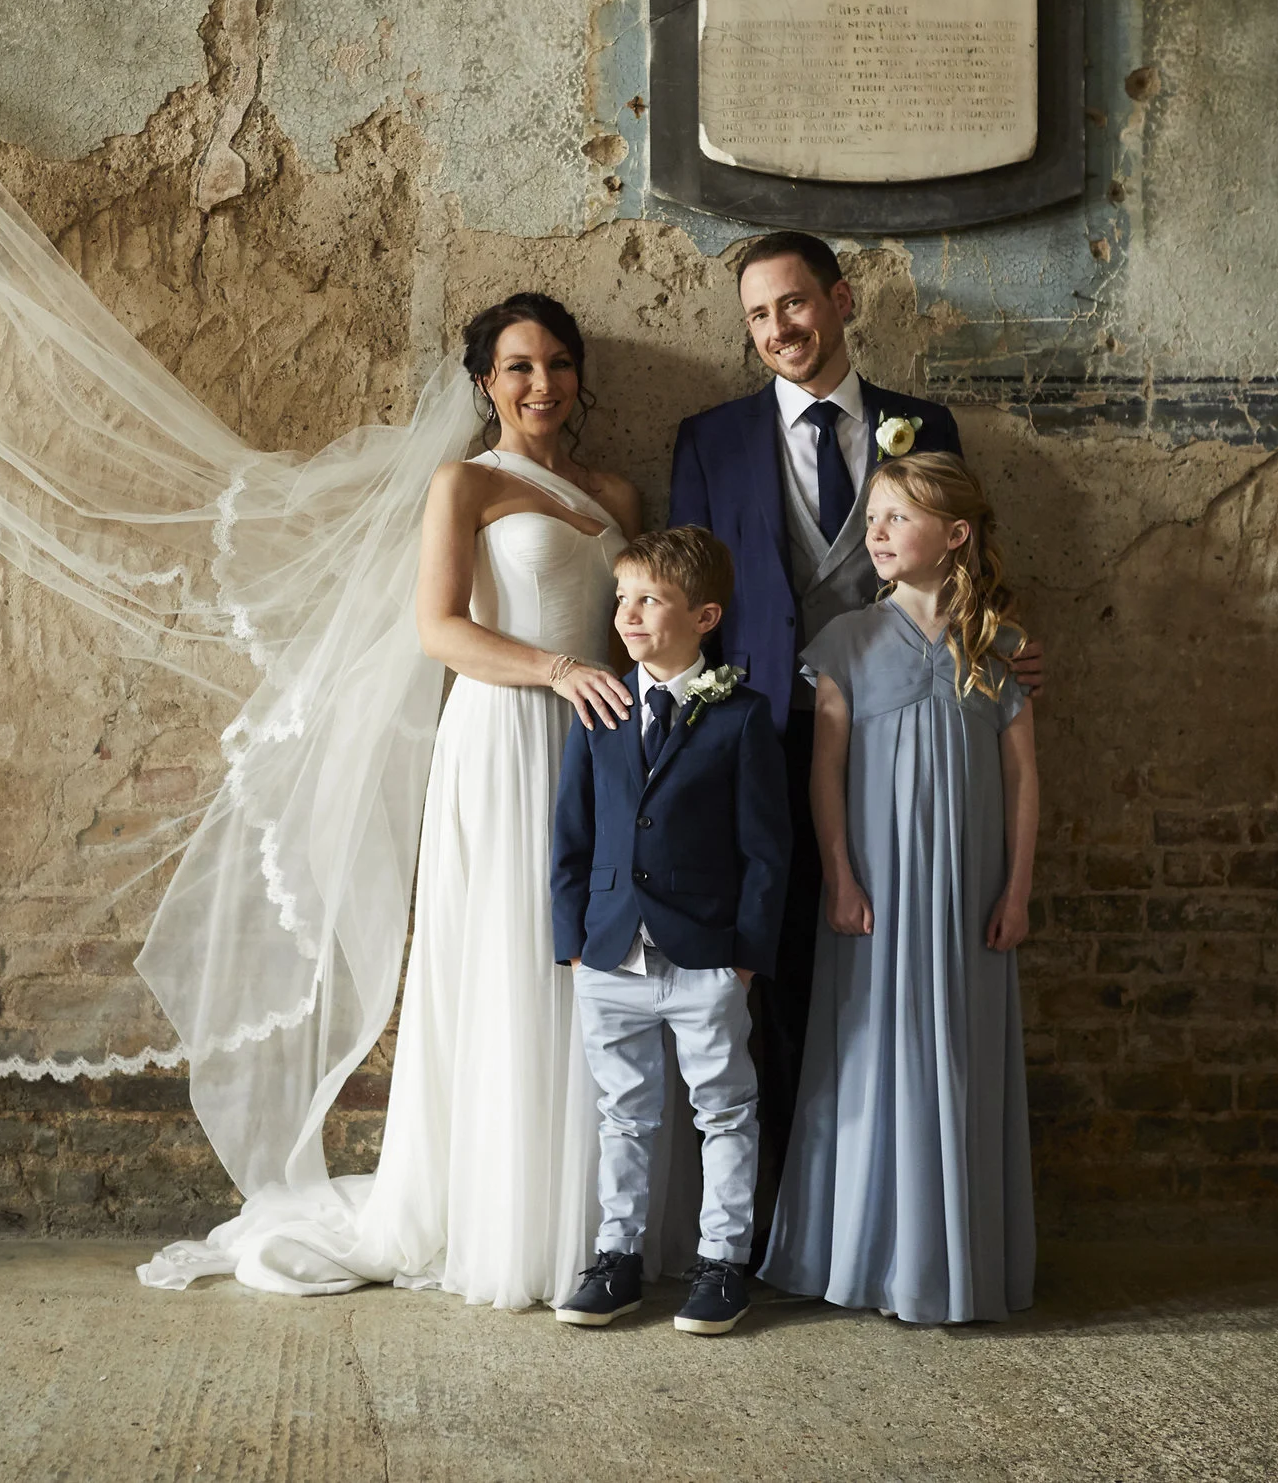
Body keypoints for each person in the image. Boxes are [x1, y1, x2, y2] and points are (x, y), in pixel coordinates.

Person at [200, 292, 644, 1309]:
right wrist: (549, 668)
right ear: (485, 382)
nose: (543, 384)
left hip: (602, 740)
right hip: (503, 735)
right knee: (511, 956)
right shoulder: (468, 482)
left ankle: (596, 1212)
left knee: (597, 961)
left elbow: (634, 621)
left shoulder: (619, 489)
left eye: (559, 364)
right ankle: (507, 1218)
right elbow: (438, 628)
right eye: (519, 367)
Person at [666, 230, 1038, 1208]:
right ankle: (776, 1212)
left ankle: (891, 1200)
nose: (778, 327)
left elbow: (959, 562)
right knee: (766, 967)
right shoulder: (709, 441)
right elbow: (687, 599)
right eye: (757, 314)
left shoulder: (922, 421)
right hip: (758, 738)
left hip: (902, 741)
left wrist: (998, 637)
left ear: (838, 300)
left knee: (889, 965)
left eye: (792, 303)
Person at [760, 451, 1039, 1324]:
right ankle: (869, 1257)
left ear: (954, 535)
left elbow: (1025, 779)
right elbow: (826, 773)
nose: (875, 533)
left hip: (967, 894)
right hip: (876, 892)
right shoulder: (845, 641)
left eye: (895, 518)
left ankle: (953, 1263)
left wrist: (1018, 889)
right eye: (872, 517)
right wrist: (839, 876)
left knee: (958, 1053)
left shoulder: (999, 648)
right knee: (872, 1055)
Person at [548, 529, 790, 1335]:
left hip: (707, 956)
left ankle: (723, 1263)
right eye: (622, 598)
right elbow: (570, 836)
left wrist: (746, 959)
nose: (628, 612)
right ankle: (615, 1259)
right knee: (623, 1112)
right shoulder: (598, 710)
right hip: (610, 949)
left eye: (649, 598)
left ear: (704, 614)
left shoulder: (743, 715)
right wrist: (572, 940)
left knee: (724, 1109)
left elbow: (767, 849)